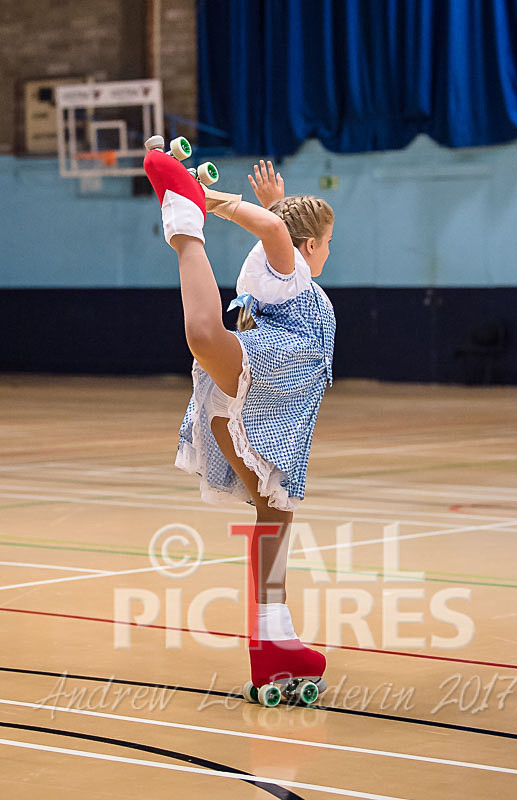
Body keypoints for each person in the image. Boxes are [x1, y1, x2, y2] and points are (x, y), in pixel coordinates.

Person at [144, 148, 335, 705]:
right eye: (325, 242)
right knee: (203, 334)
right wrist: (211, 200)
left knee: (275, 515)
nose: (328, 251)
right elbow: (277, 233)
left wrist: (272, 211)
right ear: (307, 246)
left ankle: (273, 640)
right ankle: (182, 221)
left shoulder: (279, 274)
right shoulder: (292, 270)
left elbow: (276, 236)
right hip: (260, 384)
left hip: (264, 412)